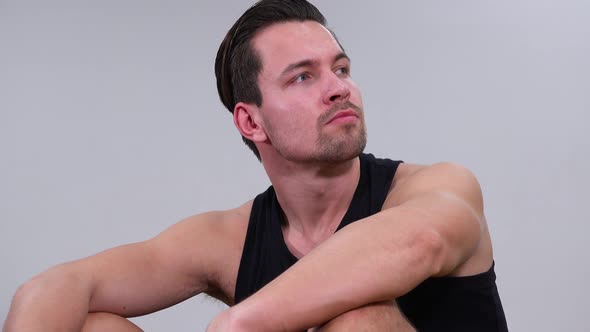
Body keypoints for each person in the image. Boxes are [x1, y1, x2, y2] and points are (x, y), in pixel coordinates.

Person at [4, 0, 508, 331]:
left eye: (341, 68)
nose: (338, 86)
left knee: (362, 323)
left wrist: (238, 324)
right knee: (93, 326)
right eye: (302, 78)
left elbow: (417, 242)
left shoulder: (437, 186)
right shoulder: (228, 240)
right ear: (251, 122)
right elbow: (57, 288)